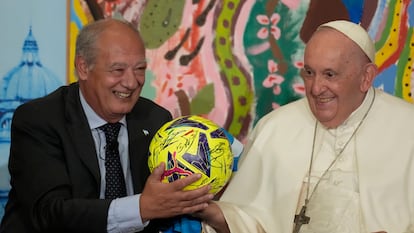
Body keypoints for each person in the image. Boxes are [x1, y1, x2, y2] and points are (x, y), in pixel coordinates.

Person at [197, 20, 414, 233]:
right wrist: (208, 211)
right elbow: (247, 221)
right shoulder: (275, 127)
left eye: (330, 74)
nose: (316, 88)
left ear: (366, 77)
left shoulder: (408, 128)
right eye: (309, 73)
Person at [0, 18, 214, 233]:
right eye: (117, 70)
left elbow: (169, 209)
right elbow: (50, 213)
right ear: (83, 67)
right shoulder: (40, 120)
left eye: (140, 69)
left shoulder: (155, 120)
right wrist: (141, 208)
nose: (131, 82)